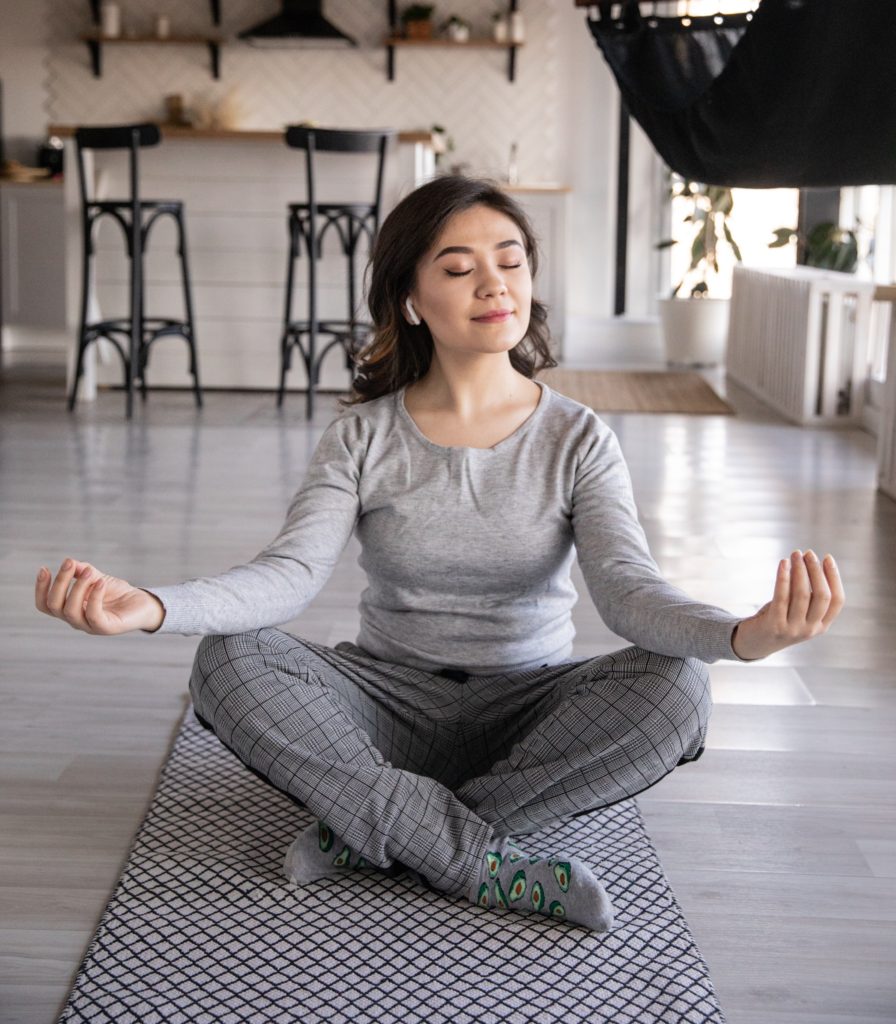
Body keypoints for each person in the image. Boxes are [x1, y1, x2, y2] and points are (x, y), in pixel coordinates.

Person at [35, 175, 844, 932]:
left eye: (511, 261)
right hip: (382, 705)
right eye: (459, 268)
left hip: (527, 710)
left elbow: (628, 592)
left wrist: (741, 635)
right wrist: (155, 607)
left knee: (677, 686)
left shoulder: (578, 438)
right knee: (228, 661)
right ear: (412, 301)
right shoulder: (362, 434)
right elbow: (287, 577)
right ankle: (481, 858)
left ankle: (373, 828)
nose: (495, 285)